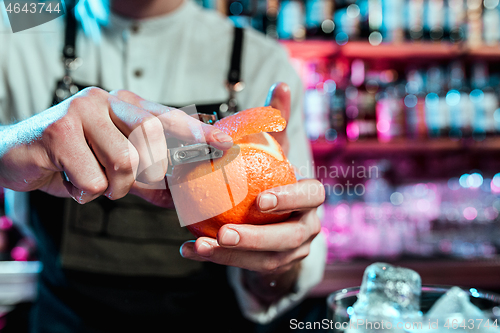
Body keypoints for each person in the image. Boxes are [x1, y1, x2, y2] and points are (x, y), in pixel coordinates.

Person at [0, 0, 327, 332]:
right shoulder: (18, 23)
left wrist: (276, 263)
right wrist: (7, 147)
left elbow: (278, 284)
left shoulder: (261, 59)